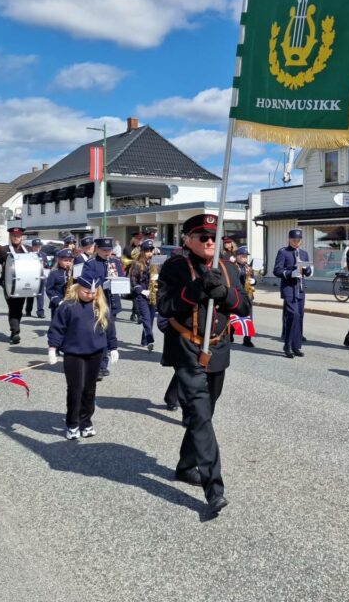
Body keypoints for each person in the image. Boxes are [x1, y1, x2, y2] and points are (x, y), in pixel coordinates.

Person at [157, 213, 250, 513]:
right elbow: (164, 306)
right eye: (202, 237)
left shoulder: (228, 267)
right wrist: (195, 291)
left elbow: (245, 306)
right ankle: (214, 488)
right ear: (187, 240)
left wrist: (225, 293)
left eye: (214, 238)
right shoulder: (174, 268)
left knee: (204, 413)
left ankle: (186, 466)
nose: (210, 242)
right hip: (187, 348)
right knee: (199, 413)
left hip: (218, 349)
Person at [47, 268, 119, 440]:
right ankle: (72, 424)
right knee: (76, 389)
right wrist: (52, 348)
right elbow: (57, 329)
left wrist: (113, 347)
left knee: (90, 389)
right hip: (74, 354)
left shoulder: (100, 306)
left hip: (95, 353)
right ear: (78, 288)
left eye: (94, 292)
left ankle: (86, 422)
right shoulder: (67, 306)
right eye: (86, 291)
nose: (90, 295)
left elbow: (109, 329)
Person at [83, 237, 126, 379]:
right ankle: (99, 366)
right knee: (98, 333)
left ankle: (103, 364)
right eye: (104, 250)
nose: (107, 253)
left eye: (109, 250)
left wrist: (121, 283)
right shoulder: (90, 263)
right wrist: (103, 284)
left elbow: (122, 276)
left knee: (108, 333)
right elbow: (87, 282)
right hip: (97, 303)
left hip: (112, 303)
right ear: (97, 249)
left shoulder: (115, 262)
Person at [273, 229, 311, 357]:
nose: (296, 242)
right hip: (289, 288)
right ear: (289, 239)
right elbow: (277, 270)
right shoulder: (283, 252)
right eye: (294, 240)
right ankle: (287, 345)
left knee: (299, 317)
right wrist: (290, 273)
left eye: (298, 240)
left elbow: (308, 271)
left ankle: (296, 346)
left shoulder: (304, 253)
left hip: (300, 289)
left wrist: (308, 270)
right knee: (293, 315)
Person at [0, 227, 30, 344]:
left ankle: (15, 328)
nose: (16, 238)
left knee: (19, 308)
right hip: (8, 284)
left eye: (18, 236)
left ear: (21, 237)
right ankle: (15, 332)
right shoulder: (3, 250)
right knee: (13, 307)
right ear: (10, 237)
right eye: (14, 236)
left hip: (23, 283)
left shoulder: (28, 250)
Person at [129, 239, 159, 351]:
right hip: (141, 295)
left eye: (151, 250)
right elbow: (133, 281)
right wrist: (142, 291)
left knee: (150, 319)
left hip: (152, 294)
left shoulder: (154, 263)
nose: (150, 253)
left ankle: (144, 340)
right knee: (146, 318)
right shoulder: (137, 264)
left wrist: (157, 278)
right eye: (147, 250)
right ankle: (150, 340)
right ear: (142, 251)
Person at [234, 245, 256, 348]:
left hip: (248, 295)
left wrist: (253, 281)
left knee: (249, 318)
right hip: (236, 295)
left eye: (246, 256)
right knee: (233, 317)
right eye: (242, 256)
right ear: (237, 256)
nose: (245, 258)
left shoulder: (248, 267)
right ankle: (230, 335)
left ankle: (247, 339)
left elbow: (253, 280)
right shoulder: (233, 266)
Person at [122, 231, 144, 322]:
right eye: (137, 239)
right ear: (133, 239)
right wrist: (134, 261)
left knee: (138, 293)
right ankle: (138, 314)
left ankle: (134, 313)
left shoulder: (144, 248)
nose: (139, 241)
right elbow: (124, 261)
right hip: (131, 273)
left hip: (142, 273)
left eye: (140, 239)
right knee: (135, 293)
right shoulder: (128, 248)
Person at [45, 248, 74, 318]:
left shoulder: (73, 273)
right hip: (58, 304)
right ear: (59, 260)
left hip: (70, 303)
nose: (68, 263)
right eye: (65, 260)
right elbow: (49, 289)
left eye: (70, 261)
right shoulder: (54, 273)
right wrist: (58, 301)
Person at [24, 238, 46, 318]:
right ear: (32, 247)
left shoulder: (43, 255)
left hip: (41, 277)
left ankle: (40, 312)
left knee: (40, 295)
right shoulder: (28, 255)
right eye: (35, 246)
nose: (37, 248)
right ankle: (28, 310)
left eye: (39, 246)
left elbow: (46, 265)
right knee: (30, 294)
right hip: (31, 277)